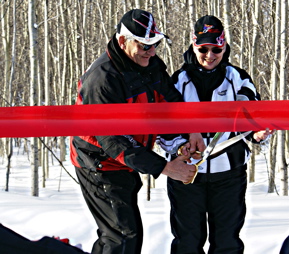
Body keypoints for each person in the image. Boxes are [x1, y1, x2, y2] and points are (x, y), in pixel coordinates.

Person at [70, 9, 204, 254]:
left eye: (155, 45)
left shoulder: (149, 64)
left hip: (127, 160)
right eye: (144, 46)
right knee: (122, 237)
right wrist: (164, 167)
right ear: (123, 41)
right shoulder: (102, 79)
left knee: (125, 236)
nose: (151, 52)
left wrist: (190, 131)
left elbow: (169, 101)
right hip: (99, 163)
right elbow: (112, 139)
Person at [168, 15, 273, 254]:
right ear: (194, 45)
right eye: (203, 48)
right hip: (187, 176)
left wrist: (257, 134)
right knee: (187, 244)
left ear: (224, 47)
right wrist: (179, 146)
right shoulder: (177, 81)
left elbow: (252, 116)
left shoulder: (238, 78)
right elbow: (164, 130)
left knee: (227, 244)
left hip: (229, 175)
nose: (210, 54)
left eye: (216, 48)